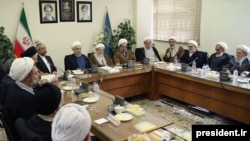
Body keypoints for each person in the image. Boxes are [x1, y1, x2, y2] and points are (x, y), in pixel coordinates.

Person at [3, 57, 38, 140]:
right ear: (27, 78)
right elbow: (37, 125)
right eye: (36, 73)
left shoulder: (14, 87)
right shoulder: (25, 99)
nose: (39, 75)